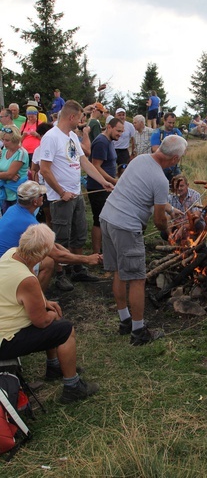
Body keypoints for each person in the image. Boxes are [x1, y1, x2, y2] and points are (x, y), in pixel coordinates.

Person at [100, 135, 188, 346]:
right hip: (126, 227)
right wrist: (170, 234)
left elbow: (143, 192)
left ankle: (125, 321)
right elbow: (158, 220)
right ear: (175, 158)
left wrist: (172, 209)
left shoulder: (139, 159)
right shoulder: (160, 179)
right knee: (138, 278)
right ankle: (138, 332)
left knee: (119, 272)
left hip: (107, 217)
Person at [0, 223, 99, 404]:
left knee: (51, 310)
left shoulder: (12, 254)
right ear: (43, 252)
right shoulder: (27, 280)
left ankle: (54, 367)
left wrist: (45, 302)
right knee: (65, 329)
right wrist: (51, 314)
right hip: (5, 340)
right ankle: (73, 387)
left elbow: (29, 289)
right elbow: (42, 322)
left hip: (3, 328)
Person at [39, 100, 114, 290]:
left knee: (79, 233)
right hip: (60, 198)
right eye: (80, 118)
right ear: (71, 117)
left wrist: (103, 181)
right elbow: (44, 170)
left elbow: (84, 163)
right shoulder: (51, 137)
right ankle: (60, 274)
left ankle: (78, 269)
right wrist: (61, 192)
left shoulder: (72, 135)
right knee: (61, 237)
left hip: (76, 195)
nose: (82, 122)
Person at [0, 181, 102, 292]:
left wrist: (59, 248)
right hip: (6, 266)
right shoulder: (30, 223)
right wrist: (87, 259)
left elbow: (47, 245)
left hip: (6, 258)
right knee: (48, 262)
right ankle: (35, 298)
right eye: (41, 195)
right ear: (35, 201)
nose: (44, 197)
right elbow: (57, 256)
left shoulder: (13, 210)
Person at [87, 117, 124, 254]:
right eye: (118, 131)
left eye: (122, 132)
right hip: (98, 187)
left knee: (106, 218)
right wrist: (113, 181)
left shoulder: (109, 141)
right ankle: (97, 253)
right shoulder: (101, 142)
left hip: (106, 185)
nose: (120, 134)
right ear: (109, 127)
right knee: (99, 220)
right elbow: (96, 166)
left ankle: (104, 250)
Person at [165, 175, 205, 242]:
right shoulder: (170, 197)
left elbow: (196, 217)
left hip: (190, 224)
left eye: (181, 186)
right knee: (164, 232)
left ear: (187, 185)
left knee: (198, 224)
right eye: (176, 186)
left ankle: (195, 241)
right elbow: (167, 218)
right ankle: (174, 241)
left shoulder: (195, 195)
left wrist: (183, 228)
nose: (179, 188)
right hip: (176, 224)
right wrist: (170, 234)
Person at [0, 126, 29, 215]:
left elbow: (9, 175)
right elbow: (8, 174)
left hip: (18, 194)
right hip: (5, 193)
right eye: (3, 140)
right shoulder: (5, 150)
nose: (4, 143)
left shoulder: (21, 153)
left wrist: (7, 176)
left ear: (16, 140)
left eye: (7, 140)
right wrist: (4, 175)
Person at [150, 112, 183, 184]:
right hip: (161, 166)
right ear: (164, 121)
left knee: (179, 184)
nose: (171, 125)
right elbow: (155, 149)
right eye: (169, 122)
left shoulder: (177, 132)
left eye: (173, 123)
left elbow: (182, 147)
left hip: (174, 167)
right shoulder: (157, 132)